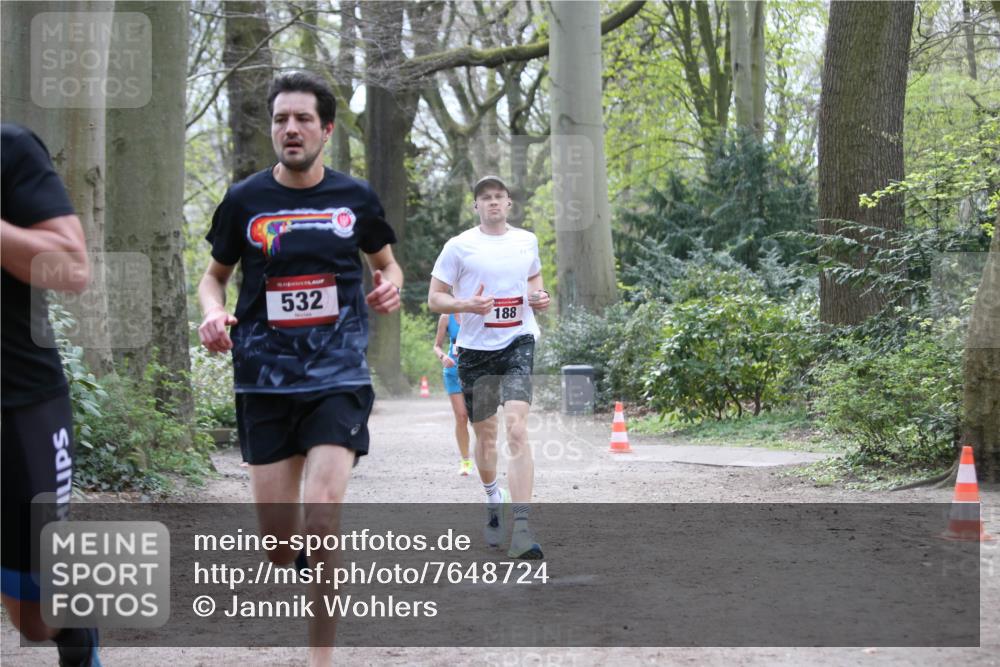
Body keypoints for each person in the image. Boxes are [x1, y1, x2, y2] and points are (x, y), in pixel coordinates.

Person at [197, 71, 402, 666]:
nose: (291, 129)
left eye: (303, 119)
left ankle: (321, 660)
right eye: (282, 119)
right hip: (263, 379)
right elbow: (214, 278)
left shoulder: (355, 199)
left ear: (327, 129)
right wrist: (212, 315)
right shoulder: (244, 201)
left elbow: (388, 265)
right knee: (279, 546)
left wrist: (387, 286)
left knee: (322, 515)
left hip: (337, 376)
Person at [1, 123, 99, 665]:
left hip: (18, 406)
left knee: (35, 618)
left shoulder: (9, 150)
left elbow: (74, 267)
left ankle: (76, 633)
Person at [428, 175, 550, 559]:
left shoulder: (526, 241)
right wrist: (466, 306)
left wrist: (540, 296)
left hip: (518, 340)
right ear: (476, 206)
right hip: (476, 350)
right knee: (486, 437)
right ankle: (491, 498)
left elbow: (533, 279)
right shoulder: (458, 246)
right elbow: (435, 298)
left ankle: (523, 529)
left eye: (499, 196)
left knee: (516, 428)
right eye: (486, 198)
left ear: (509, 203)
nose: (493, 202)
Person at [433, 313, 473, 475]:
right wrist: (442, 357)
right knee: (461, 416)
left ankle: (486, 457)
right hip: (453, 372)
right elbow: (436, 345)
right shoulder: (446, 317)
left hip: (475, 372)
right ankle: (465, 461)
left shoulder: (476, 312)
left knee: (479, 420)